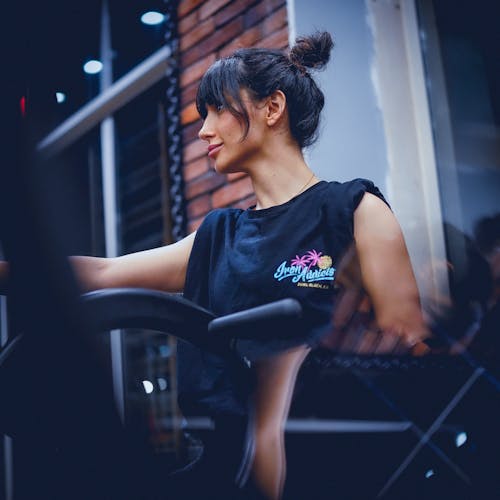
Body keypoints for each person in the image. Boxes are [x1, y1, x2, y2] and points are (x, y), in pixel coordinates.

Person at [0, 32, 430, 499]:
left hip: (337, 470)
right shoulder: (218, 234)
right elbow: (103, 274)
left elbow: (407, 352)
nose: (203, 130)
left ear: (272, 108)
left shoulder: (354, 210)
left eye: (216, 111)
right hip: (224, 471)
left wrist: (294, 369)